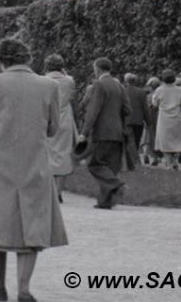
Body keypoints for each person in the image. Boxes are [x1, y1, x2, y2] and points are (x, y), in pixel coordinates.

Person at [0, 37, 67, 302]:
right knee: (32, 218)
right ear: (28, 58)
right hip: (33, 158)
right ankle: (24, 289)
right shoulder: (49, 85)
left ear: (0, 59)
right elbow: (53, 127)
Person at [80, 57, 130, 209]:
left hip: (102, 131)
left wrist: (84, 132)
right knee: (109, 167)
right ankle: (105, 202)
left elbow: (93, 110)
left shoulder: (98, 84)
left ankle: (118, 185)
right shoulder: (119, 85)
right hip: (117, 132)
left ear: (98, 69)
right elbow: (128, 109)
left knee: (94, 164)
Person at [42, 54, 78, 201]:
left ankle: (49, 190)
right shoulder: (69, 81)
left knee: (48, 155)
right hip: (65, 119)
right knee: (63, 154)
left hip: (47, 118)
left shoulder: (43, 81)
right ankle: (58, 191)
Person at [150, 70, 181, 169]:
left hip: (163, 119)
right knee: (177, 140)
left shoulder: (159, 90)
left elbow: (154, 104)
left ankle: (168, 162)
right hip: (177, 118)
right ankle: (175, 160)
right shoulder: (180, 90)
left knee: (164, 140)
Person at [121, 73, 150, 170]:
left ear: (126, 81)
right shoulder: (141, 92)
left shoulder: (122, 91)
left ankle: (134, 162)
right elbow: (145, 108)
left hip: (127, 119)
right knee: (135, 141)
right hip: (138, 121)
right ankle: (135, 162)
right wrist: (148, 121)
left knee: (131, 142)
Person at [142, 76, 162, 164]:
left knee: (146, 137)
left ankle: (145, 154)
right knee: (157, 138)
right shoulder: (161, 96)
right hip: (159, 119)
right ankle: (155, 157)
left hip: (148, 118)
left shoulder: (148, 96)